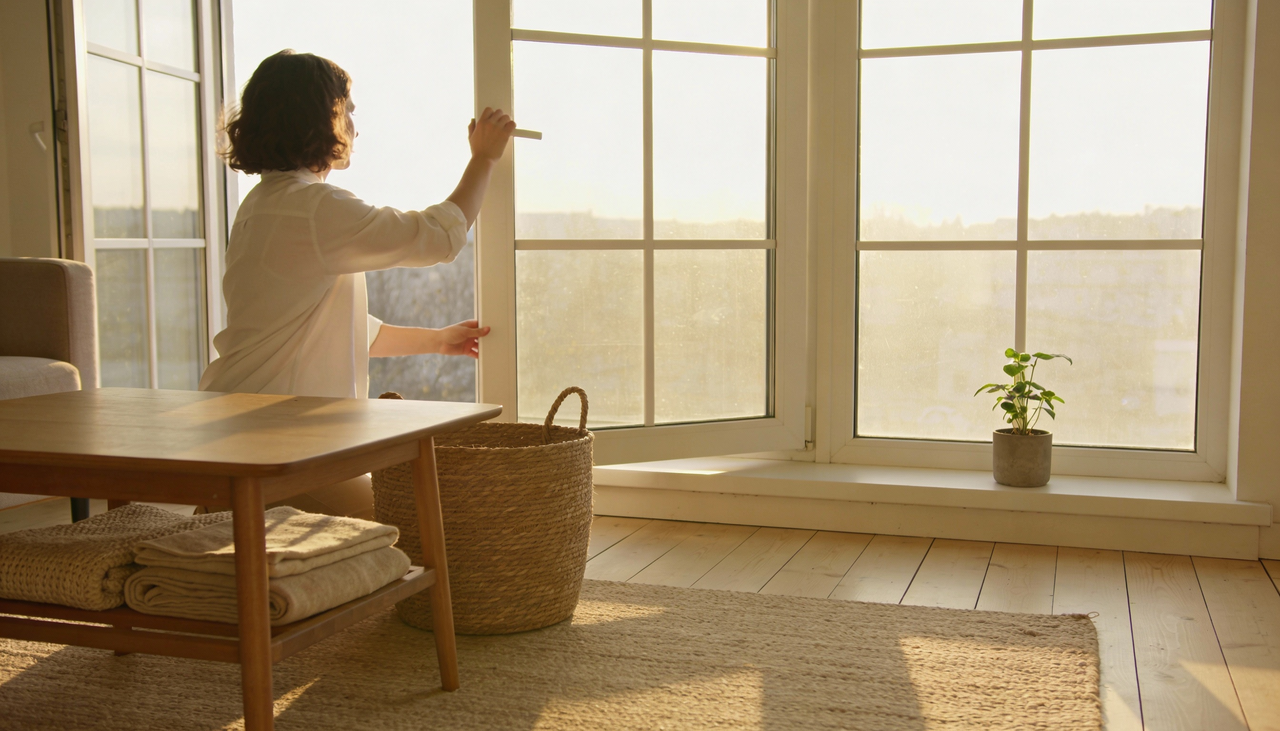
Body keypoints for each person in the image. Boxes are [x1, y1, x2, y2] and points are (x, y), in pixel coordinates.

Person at [199, 49, 512, 400]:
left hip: (240, 411)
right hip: (271, 423)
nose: (355, 128)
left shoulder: (261, 205)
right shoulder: (314, 209)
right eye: (348, 110)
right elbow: (439, 237)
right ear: (319, 118)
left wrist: (438, 340)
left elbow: (342, 331)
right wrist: (484, 159)